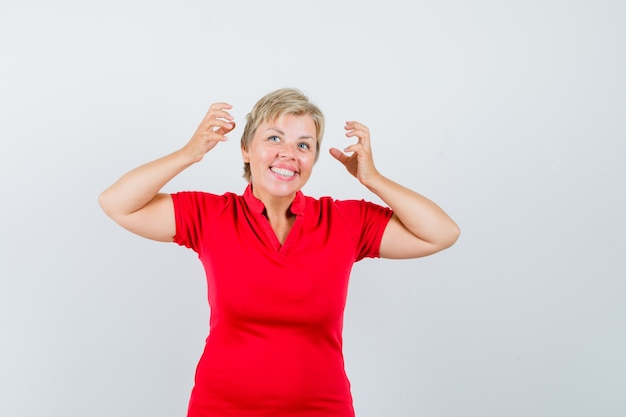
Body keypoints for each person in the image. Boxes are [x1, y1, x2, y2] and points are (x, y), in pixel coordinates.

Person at [98, 88, 460, 417]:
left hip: (323, 408)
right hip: (221, 407)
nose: (289, 153)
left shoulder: (344, 221)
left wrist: (373, 179)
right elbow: (117, 203)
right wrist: (188, 154)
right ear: (246, 149)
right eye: (274, 138)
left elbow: (441, 233)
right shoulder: (211, 216)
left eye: (304, 145)